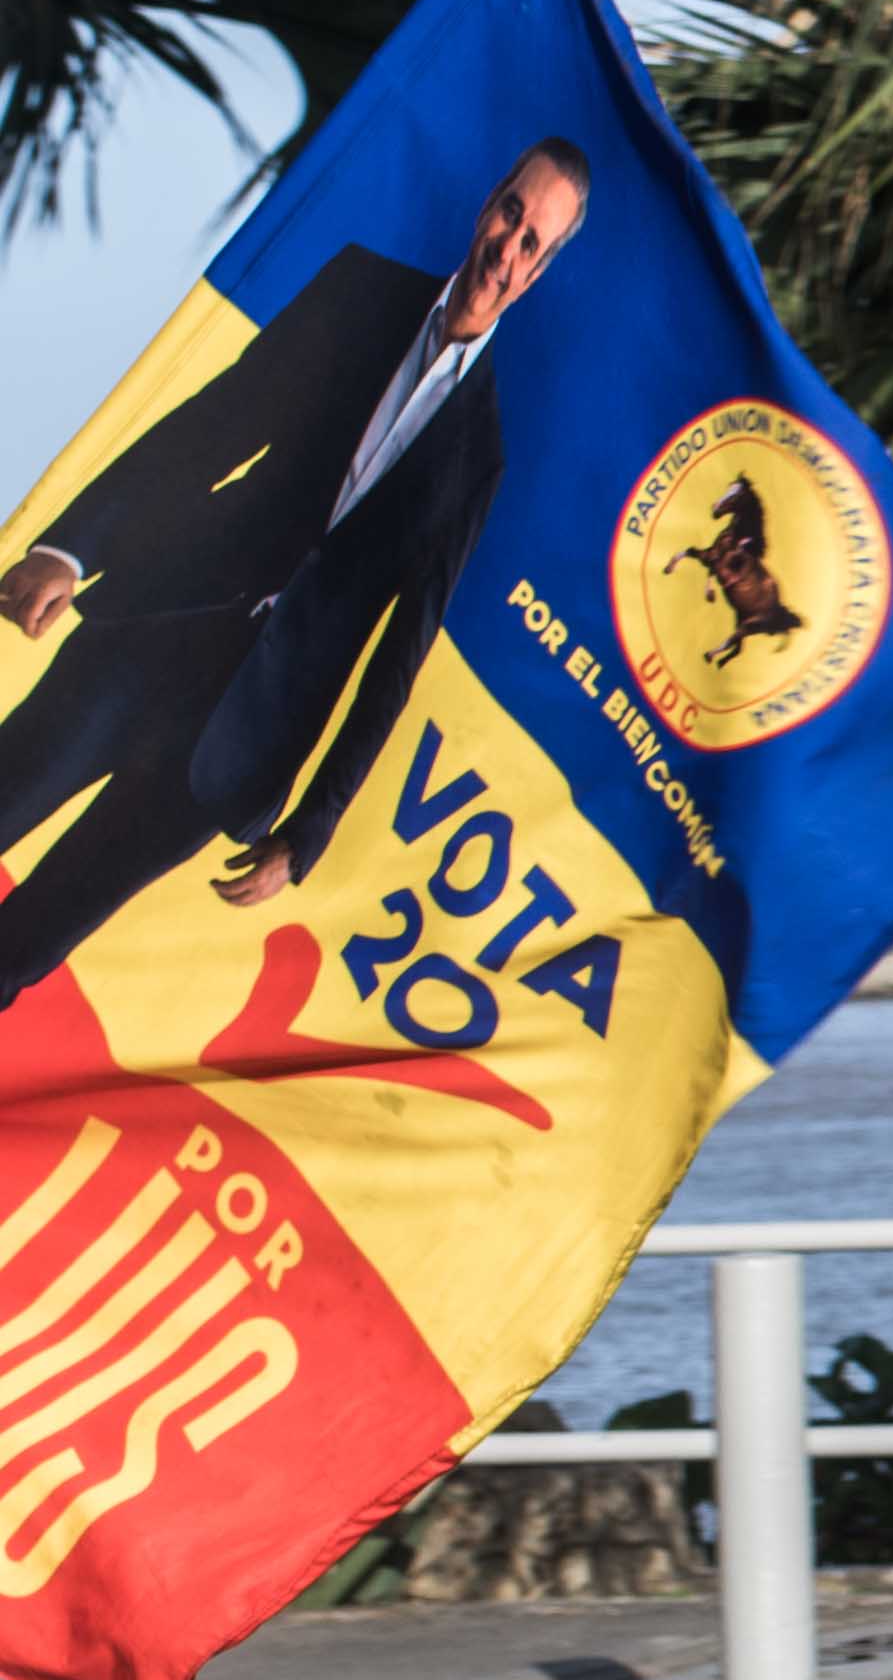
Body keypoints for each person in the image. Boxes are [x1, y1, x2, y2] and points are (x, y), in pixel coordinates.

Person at [0, 138, 588, 1022]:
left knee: (29, 944)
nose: (509, 249)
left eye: (534, 242)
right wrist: (73, 549)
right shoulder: (360, 292)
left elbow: (401, 652)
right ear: (488, 202)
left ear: (541, 271)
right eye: (511, 213)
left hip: (237, 750)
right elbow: (211, 428)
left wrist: (309, 828)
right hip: (148, 638)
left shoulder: (481, 457)